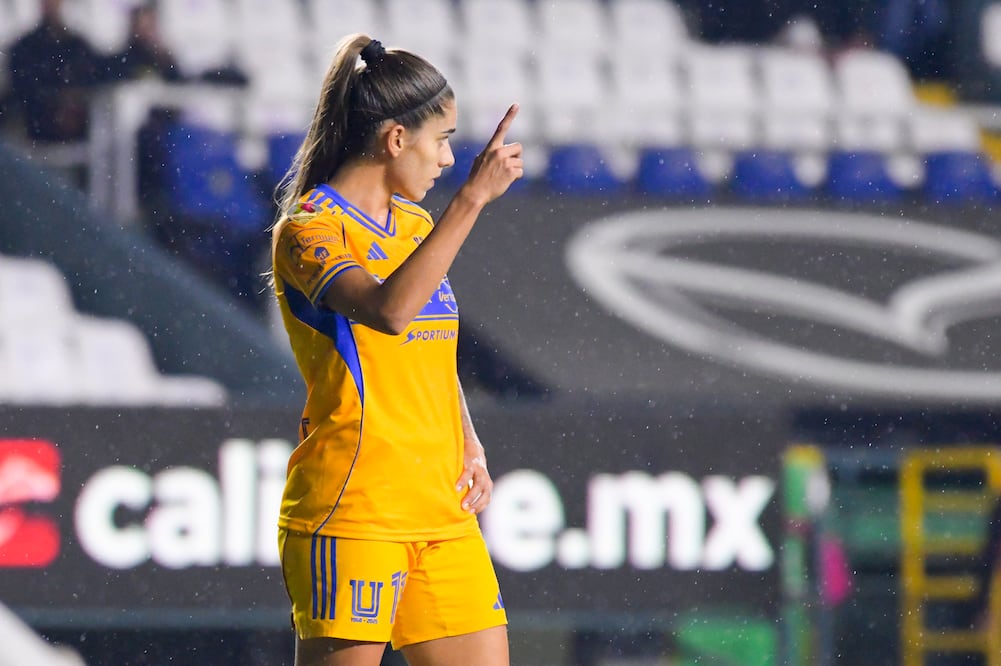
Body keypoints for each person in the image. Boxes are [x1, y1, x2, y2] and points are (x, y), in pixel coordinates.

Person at [269, 33, 523, 666]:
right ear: (395, 139)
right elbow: (389, 313)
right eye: (442, 140)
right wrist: (472, 199)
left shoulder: (414, 226)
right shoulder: (309, 232)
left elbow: (428, 350)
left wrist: (467, 439)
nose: (446, 160)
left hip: (442, 508)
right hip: (356, 508)